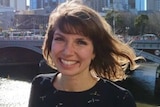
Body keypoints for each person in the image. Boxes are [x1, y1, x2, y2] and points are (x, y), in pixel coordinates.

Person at [28, 1, 141, 107]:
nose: (68, 51)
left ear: (95, 51)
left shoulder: (119, 100)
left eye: (80, 42)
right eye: (60, 39)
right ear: (50, 43)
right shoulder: (40, 85)